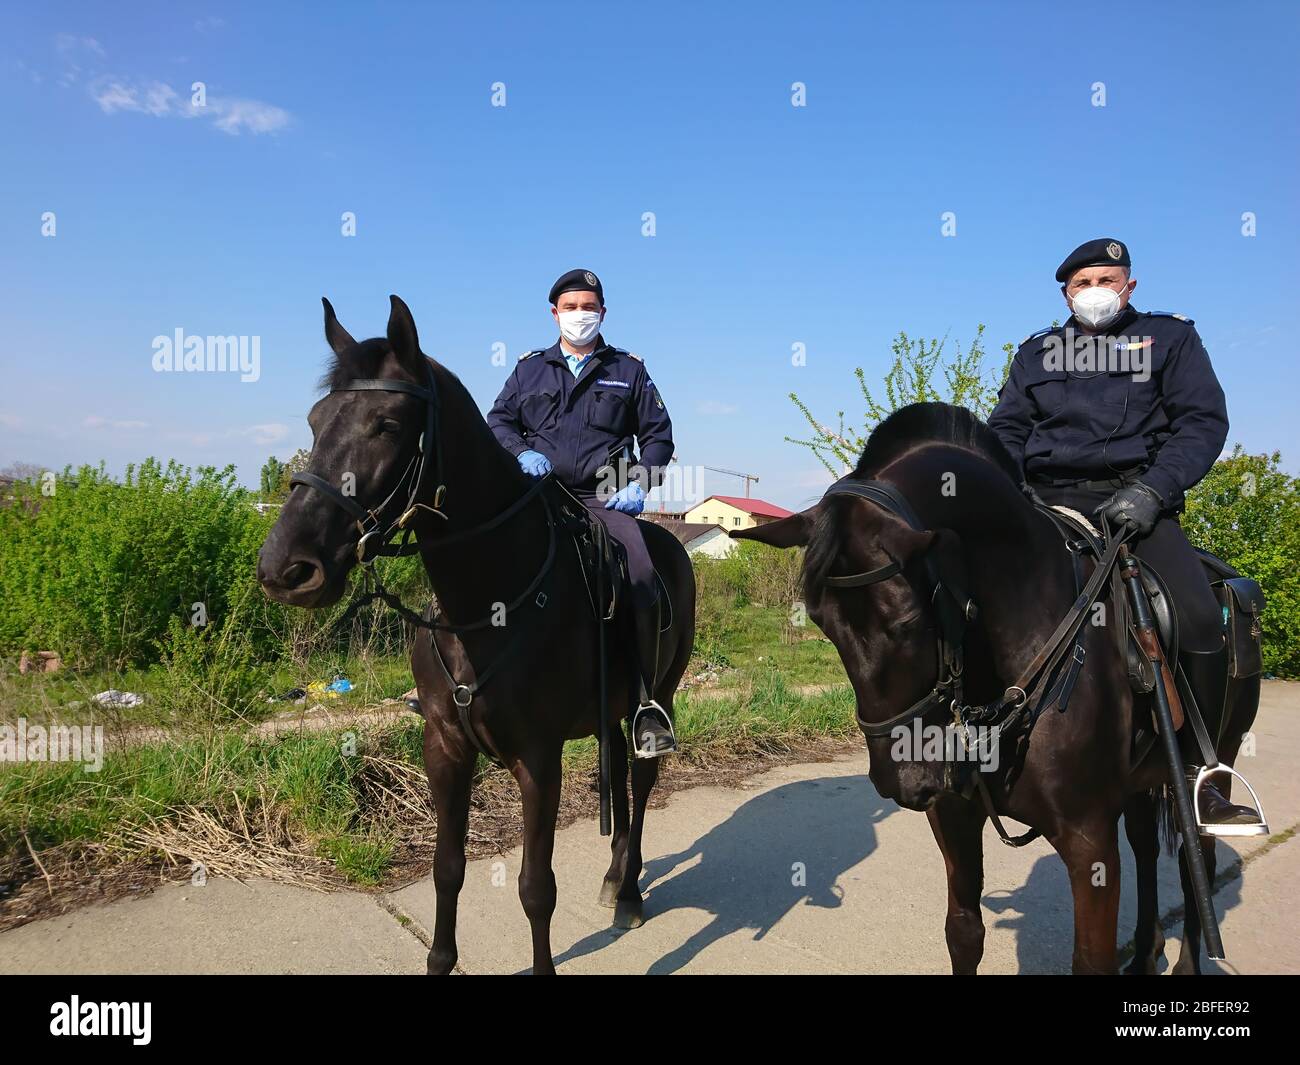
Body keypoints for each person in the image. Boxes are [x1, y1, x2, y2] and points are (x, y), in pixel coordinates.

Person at [988, 237, 1262, 829]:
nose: (1093, 292)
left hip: (1137, 503)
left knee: (1193, 616)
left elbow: (1201, 423)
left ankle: (1203, 775)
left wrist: (1154, 491)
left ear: (1129, 286)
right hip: (1045, 506)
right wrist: (1017, 494)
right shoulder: (1037, 354)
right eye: (1081, 283)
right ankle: (970, 747)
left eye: (1105, 281)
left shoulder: (1172, 340)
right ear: (1065, 291)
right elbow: (1006, 429)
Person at [487, 269, 677, 757]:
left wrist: (639, 483)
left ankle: (643, 702)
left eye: (588, 307)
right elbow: (499, 422)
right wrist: (518, 453)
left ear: (603, 313)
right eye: (570, 307)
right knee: (475, 553)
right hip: (537, 493)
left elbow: (658, 436)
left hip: (604, 498)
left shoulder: (628, 370)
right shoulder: (529, 369)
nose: (579, 316)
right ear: (554, 313)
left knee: (639, 570)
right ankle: (458, 683)